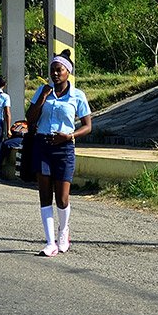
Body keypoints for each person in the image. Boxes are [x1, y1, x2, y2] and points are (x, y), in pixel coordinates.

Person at [26, 49, 92, 257]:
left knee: (62, 197)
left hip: (64, 148)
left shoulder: (77, 96)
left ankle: (64, 233)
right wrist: (43, 97)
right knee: (45, 195)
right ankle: (50, 242)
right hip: (43, 145)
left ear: (68, 72)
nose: (55, 74)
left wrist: (69, 136)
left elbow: (88, 126)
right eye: (52, 70)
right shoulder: (42, 91)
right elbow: (30, 118)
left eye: (59, 70)